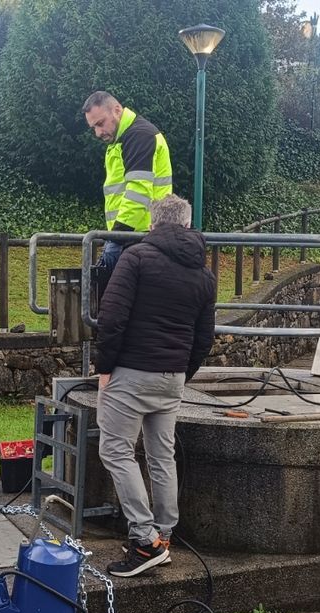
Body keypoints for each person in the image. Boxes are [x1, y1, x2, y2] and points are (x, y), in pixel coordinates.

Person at [95, 195, 216, 578]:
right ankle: (164, 535)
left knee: (115, 450)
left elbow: (111, 317)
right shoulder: (204, 272)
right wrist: (182, 371)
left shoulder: (136, 258)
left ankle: (145, 540)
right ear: (186, 224)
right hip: (173, 376)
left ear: (152, 223)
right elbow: (204, 337)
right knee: (161, 455)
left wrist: (104, 367)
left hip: (132, 372)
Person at [82, 91, 172, 283]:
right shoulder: (124, 138)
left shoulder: (138, 136)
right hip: (136, 235)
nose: (97, 133)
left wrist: (116, 237)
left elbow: (139, 191)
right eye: (93, 128)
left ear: (116, 110)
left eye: (100, 123)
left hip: (139, 236)